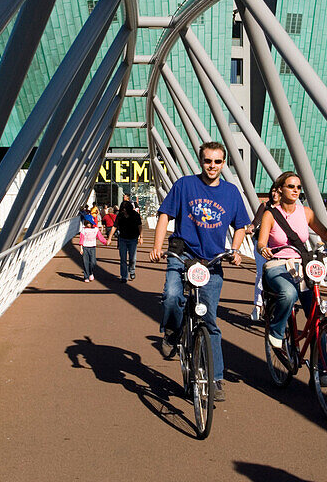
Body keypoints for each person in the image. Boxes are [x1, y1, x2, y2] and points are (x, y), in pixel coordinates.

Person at [150, 141, 251, 400]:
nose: (212, 166)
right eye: (208, 161)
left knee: (210, 321)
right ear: (201, 161)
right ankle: (172, 331)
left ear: (223, 163)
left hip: (212, 262)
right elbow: (164, 215)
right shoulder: (185, 185)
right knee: (172, 296)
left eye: (217, 162)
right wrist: (157, 247)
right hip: (182, 254)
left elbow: (240, 225)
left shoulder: (231, 193)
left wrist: (236, 250)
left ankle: (216, 378)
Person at [256, 172, 327, 364]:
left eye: (298, 187)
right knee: (288, 294)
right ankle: (277, 332)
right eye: (291, 186)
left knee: (317, 314)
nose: (296, 190)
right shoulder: (270, 214)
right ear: (280, 189)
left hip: (301, 266)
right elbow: (261, 243)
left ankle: (323, 368)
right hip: (277, 265)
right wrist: (264, 250)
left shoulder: (306, 213)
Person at [249, 185, 282, 322]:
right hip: (262, 244)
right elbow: (256, 221)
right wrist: (250, 228)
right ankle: (257, 306)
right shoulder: (264, 206)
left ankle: (275, 307)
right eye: (273, 191)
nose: (275, 194)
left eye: (278, 192)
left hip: (277, 246)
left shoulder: (284, 209)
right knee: (261, 274)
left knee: (279, 274)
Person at [114, 199, 142, 282]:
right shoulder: (120, 216)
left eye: (125, 209)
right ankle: (124, 276)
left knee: (132, 258)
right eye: (123, 209)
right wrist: (109, 238)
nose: (124, 211)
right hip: (122, 239)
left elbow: (139, 226)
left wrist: (141, 237)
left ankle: (132, 270)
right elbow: (114, 226)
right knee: (123, 258)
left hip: (133, 239)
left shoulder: (135, 215)